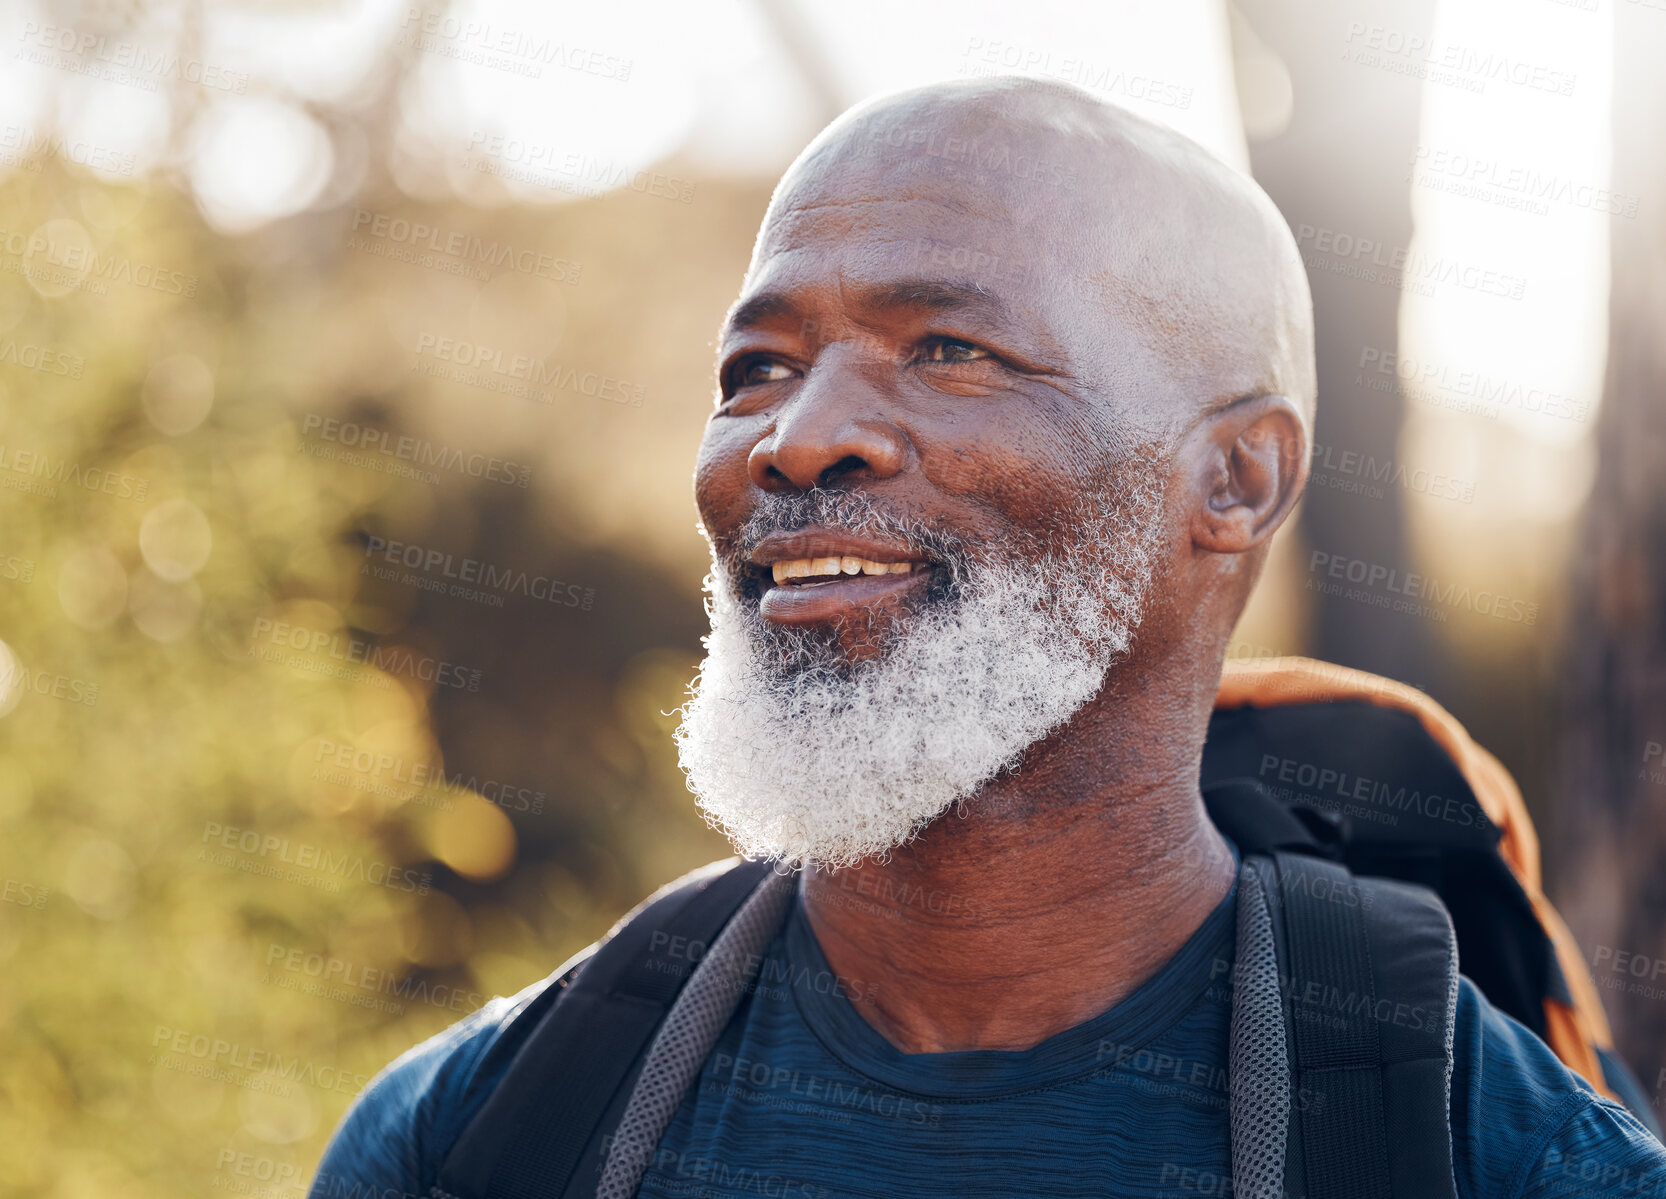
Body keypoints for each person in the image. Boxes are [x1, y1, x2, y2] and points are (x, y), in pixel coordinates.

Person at [310, 77, 1666, 1198]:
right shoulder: (471, 1137)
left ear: (1236, 479)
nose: (795, 437)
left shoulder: (1507, 1161)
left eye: (949, 349)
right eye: (758, 367)